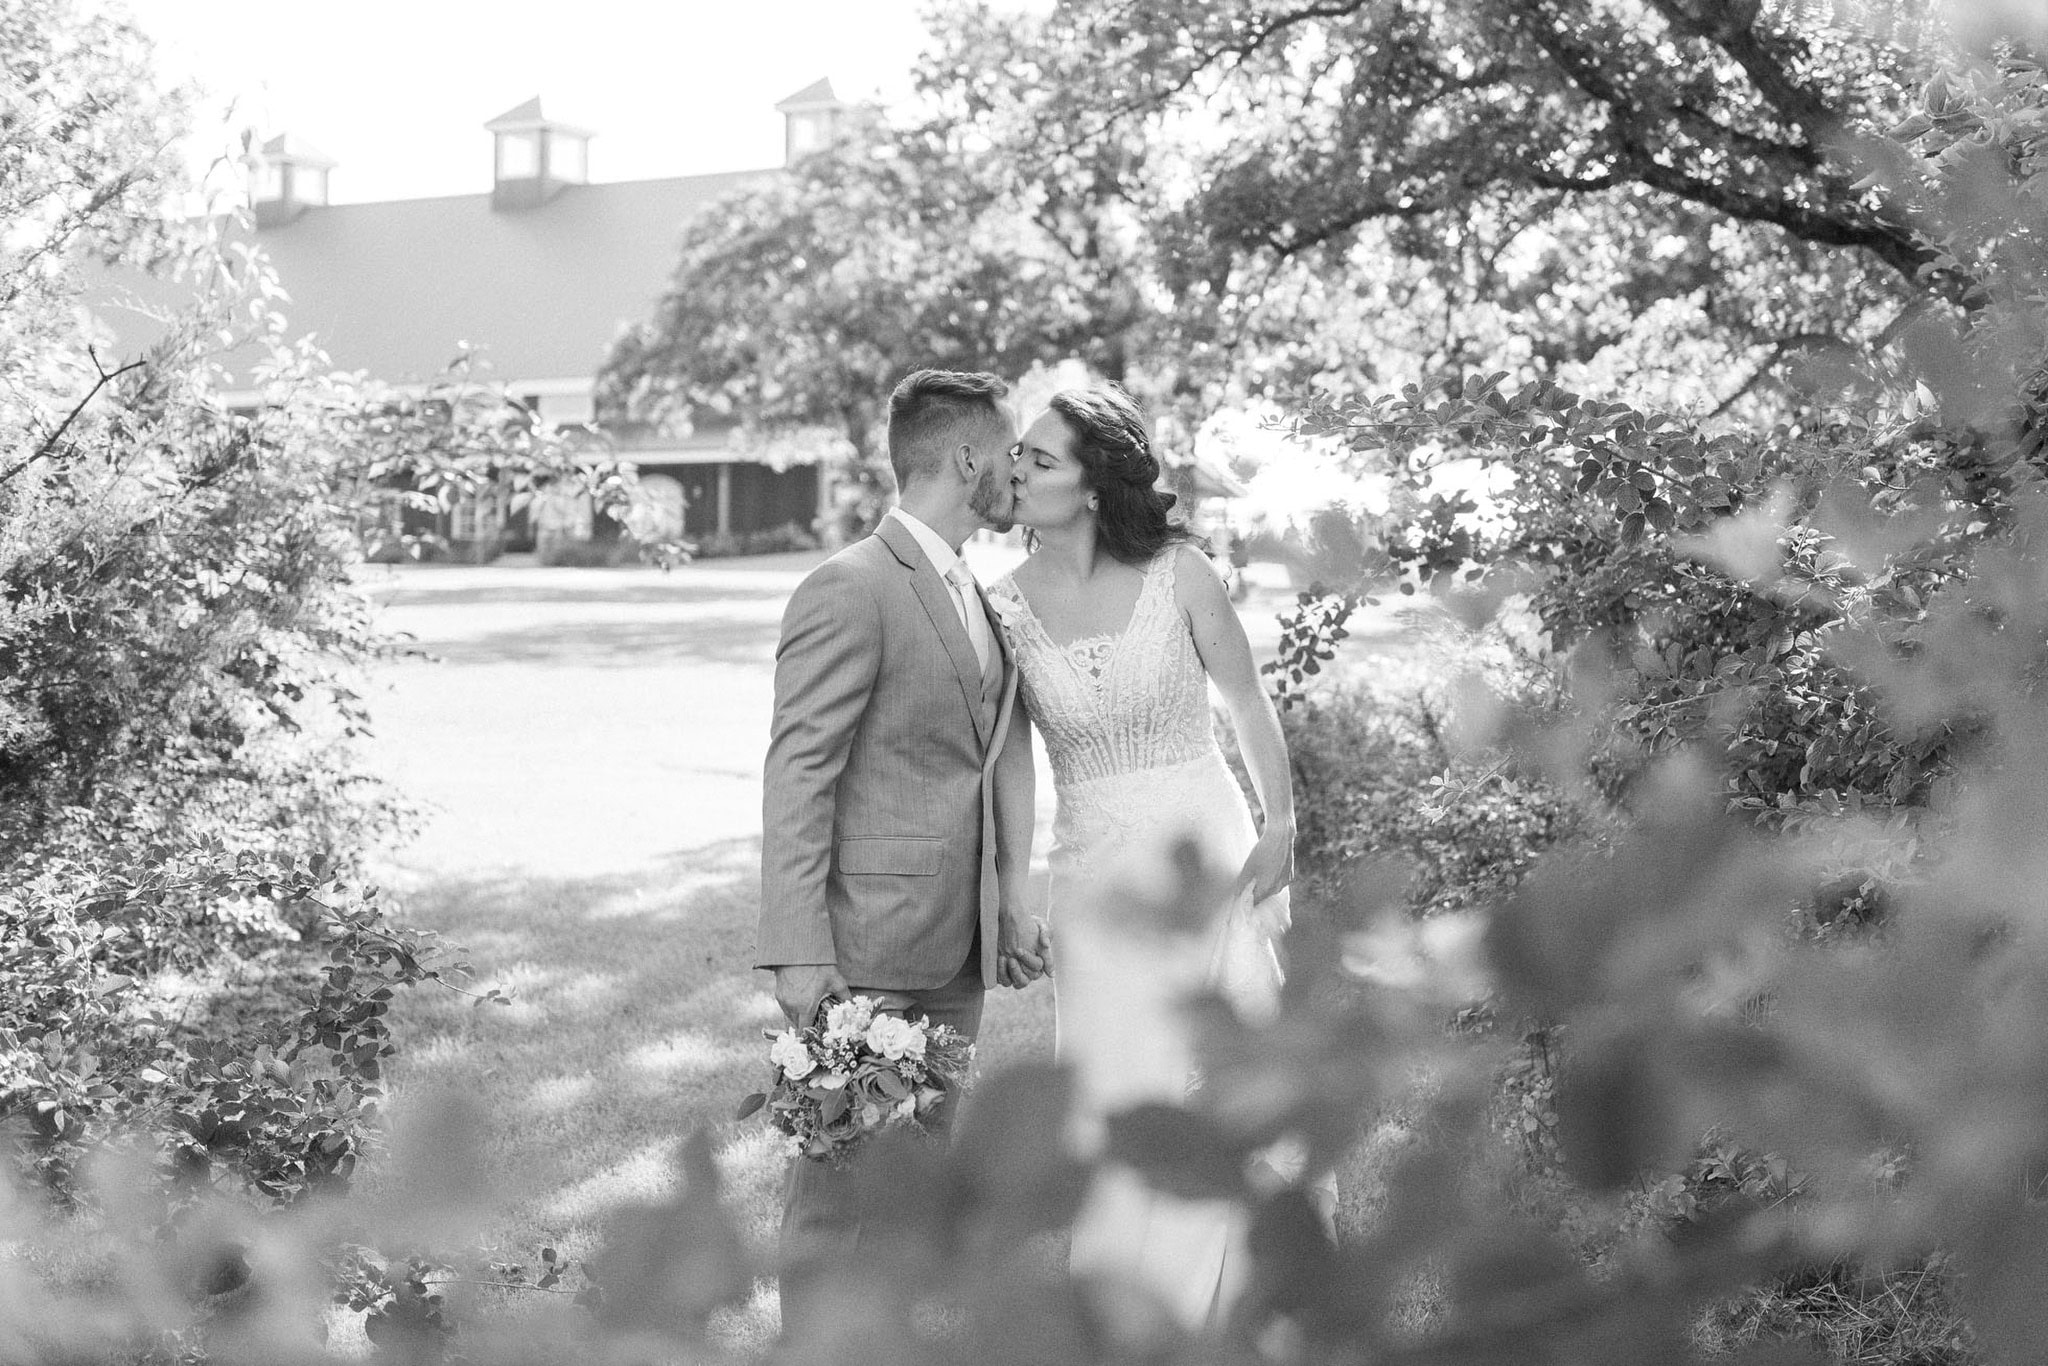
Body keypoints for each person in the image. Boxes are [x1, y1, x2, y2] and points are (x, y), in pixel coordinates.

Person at [985, 383, 1298, 1328]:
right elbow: (1011, 768)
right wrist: (1012, 894)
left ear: (1091, 483)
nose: (1017, 469)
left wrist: (1280, 823)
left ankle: (1248, 1295)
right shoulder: (1000, 609)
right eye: (1019, 455)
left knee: (1216, 1066)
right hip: (1090, 874)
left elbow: (1246, 703)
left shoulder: (1179, 573)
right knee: (1114, 1084)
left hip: (1206, 858)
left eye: (1040, 458)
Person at [755, 368, 1048, 1338]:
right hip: (863, 950)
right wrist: (800, 950)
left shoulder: (979, 590)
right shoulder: (850, 587)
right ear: (968, 457)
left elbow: (985, 753)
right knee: (837, 1195)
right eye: (1010, 453)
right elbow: (799, 772)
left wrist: (1005, 900)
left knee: (916, 1187)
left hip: (952, 948)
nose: (1019, 471)